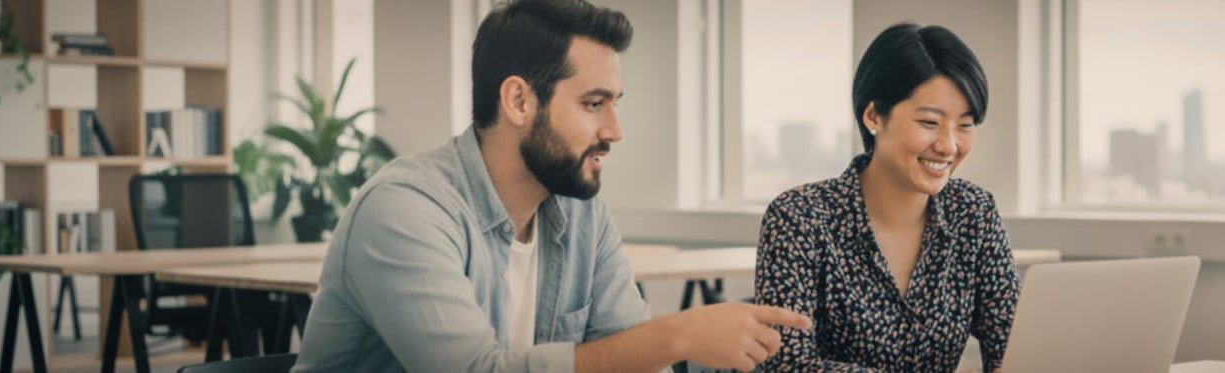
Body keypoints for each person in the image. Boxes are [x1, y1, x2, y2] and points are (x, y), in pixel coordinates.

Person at [293, 1, 811, 371]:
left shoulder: (583, 214)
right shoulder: (405, 209)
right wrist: (675, 336)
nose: (615, 131)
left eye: (615, 104)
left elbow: (627, 356)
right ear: (519, 101)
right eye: (593, 104)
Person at [753, 22, 1019, 373]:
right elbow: (785, 364)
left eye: (965, 125)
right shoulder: (799, 217)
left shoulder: (973, 212)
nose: (949, 145)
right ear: (874, 116)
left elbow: (1012, 347)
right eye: (929, 122)